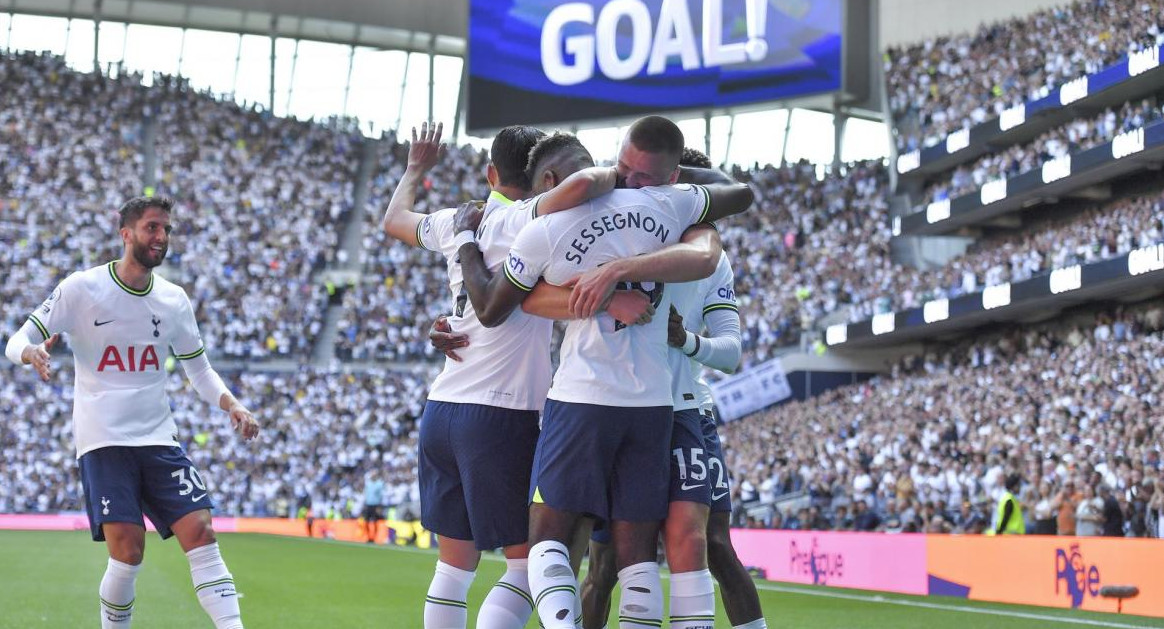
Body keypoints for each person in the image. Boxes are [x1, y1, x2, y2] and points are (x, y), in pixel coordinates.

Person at [454, 116, 754, 629]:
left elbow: (491, 306)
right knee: (636, 557)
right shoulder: (671, 205)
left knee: (547, 543)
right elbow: (736, 198)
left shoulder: (541, 227)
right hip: (653, 406)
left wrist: (463, 240)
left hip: (582, 397)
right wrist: (615, 283)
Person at [379, 123, 648, 629]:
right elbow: (579, 189)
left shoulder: (458, 220)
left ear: (490, 172)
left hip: (442, 407)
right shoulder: (528, 219)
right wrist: (629, 174)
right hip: (504, 412)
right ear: (543, 178)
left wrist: (416, 166)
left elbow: (393, 219)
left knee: (454, 566)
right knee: (531, 565)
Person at [4, 196, 259, 629]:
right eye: (152, 228)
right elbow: (16, 338)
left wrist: (232, 404)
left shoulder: (174, 300)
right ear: (127, 234)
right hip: (104, 441)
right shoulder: (81, 289)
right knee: (128, 551)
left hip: (159, 438)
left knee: (201, 531)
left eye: (166, 230)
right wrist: (29, 351)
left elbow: (199, 369)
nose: (161, 238)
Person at [575, 147, 767, 629]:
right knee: (604, 567)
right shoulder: (618, 235)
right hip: (621, 408)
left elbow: (730, 352)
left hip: (686, 414)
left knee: (715, 547)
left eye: (668, 188)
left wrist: (687, 339)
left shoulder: (711, 257)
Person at [362, 472, 386, 543]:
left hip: (376, 505)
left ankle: (374, 537)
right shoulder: (368, 484)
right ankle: (368, 536)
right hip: (368, 504)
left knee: (375, 521)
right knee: (366, 521)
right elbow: (366, 494)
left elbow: (382, 495)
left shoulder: (379, 484)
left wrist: (380, 506)